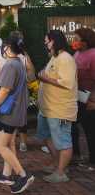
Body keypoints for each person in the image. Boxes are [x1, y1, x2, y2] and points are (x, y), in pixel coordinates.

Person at [0, 35, 35, 193]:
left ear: (8, 47)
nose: (3, 49)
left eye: (4, 46)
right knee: (8, 144)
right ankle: (7, 175)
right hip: (16, 111)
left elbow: (5, 89)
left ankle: (22, 175)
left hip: (8, 113)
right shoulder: (18, 63)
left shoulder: (11, 65)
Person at [37, 30, 77, 183]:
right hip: (48, 108)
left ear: (54, 41)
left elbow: (67, 83)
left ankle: (61, 172)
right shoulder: (55, 57)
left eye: (46, 40)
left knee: (63, 141)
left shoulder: (65, 59)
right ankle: (58, 165)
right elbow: (48, 75)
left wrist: (45, 79)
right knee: (46, 136)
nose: (45, 43)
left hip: (60, 109)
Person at [71, 28, 95, 170]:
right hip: (78, 97)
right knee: (73, 127)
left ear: (85, 41)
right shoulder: (77, 53)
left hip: (89, 99)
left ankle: (93, 160)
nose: (74, 42)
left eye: (76, 39)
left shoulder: (93, 55)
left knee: (91, 131)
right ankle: (76, 155)